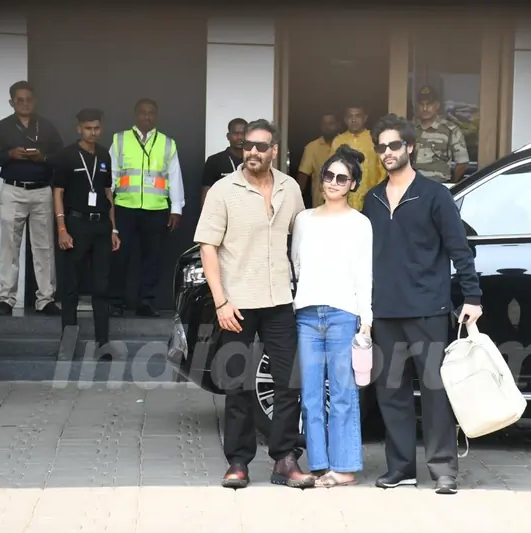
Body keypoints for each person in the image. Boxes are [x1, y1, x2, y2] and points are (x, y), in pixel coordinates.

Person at [362, 113, 483, 495]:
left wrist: (473, 296)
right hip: (385, 311)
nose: (387, 153)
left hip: (429, 309)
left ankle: (444, 469)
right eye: (381, 147)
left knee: (435, 393)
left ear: (409, 147)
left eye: (394, 145)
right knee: (391, 394)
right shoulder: (373, 198)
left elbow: (459, 249)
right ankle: (400, 468)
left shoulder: (435, 195)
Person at [194, 118, 313, 490]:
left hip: (280, 299)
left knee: (288, 382)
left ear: (274, 150)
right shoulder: (222, 190)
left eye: (261, 147)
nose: (253, 153)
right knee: (237, 382)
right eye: (248, 146)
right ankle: (239, 462)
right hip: (238, 302)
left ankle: (285, 459)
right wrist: (221, 302)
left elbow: (302, 237)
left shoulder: (290, 188)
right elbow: (207, 246)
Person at [291, 145, 372, 488]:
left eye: (342, 177)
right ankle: (321, 466)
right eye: (328, 175)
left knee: (342, 394)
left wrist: (365, 321)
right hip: (307, 313)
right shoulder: (303, 219)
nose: (334, 182)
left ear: (353, 184)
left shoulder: (360, 223)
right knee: (310, 395)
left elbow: (363, 274)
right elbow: (296, 265)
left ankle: (346, 467)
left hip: (343, 314)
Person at [0, 80, 63, 317]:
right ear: (12, 102)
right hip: (13, 190)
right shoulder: (2, 127)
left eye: (29, 99)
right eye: (20, 100)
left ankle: (45, 299)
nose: (25, 103)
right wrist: (9, 154)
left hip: (41, 190)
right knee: (10, 246)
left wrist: (43, 157)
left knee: (44, 246)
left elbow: (60, 157)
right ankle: (6, 299)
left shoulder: (47, 126)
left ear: (35, 101)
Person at [108, 98, 185, 318]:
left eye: (151, 113)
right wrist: (109, 205)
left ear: (156, 116)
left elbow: (174, 176)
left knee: (152, 258)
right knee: (120, 256)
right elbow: (112, 175)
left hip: (156, 208)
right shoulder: (121, 140)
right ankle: (115, 302)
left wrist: (176, 208)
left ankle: (146, 303)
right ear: (135, 115)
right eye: (143, 113)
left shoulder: (167, 143)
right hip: (125, 207)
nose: (147, 117)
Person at [52, 108, 120, 351]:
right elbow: (58, 192)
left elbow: (107, 191)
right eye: (88, 128)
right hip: (76, 224)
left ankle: (103, 343)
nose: (93, 132)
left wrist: (113, 229)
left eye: (97, 128)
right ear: (79, 128)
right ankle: (68, 344)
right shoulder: (66, 156)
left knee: (101, 287)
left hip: (101, 225)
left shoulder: (104, 155)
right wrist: (61, 228)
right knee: (71, 287)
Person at [328, 105, 385, 211]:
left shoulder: (374, 139)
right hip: (343, 201)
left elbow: (382, 170)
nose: (353, 119)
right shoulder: (338, 141)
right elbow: (331, 171)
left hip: (371, 200)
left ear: (365, 118)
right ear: (345, 119)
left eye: (358, 116)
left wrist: (378, 195)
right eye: (350, 116)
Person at [413, 85, 470, 183]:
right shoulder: (410, 128)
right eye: (422, 104)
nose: (425, 108)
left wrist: (451, 185)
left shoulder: (451, 130)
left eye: (429, 104)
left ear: (437, 105)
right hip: (412, 188)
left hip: (439, 187)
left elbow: (462, 163)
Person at [296, 112, 340, 208]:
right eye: (324, 124)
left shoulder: (345, 143)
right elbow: (303, 177)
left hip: (345, 204)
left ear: (337, 125)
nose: (327, 127)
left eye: (331, 123)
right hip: (320, 205)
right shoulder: (312, 147)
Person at [201, 118, 247, 207]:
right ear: (228, 136)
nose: (240, 137)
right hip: (222, 213)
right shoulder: (214, 161)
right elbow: (206, 193)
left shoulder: (253, 161)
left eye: (243, 134)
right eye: (236, 133)